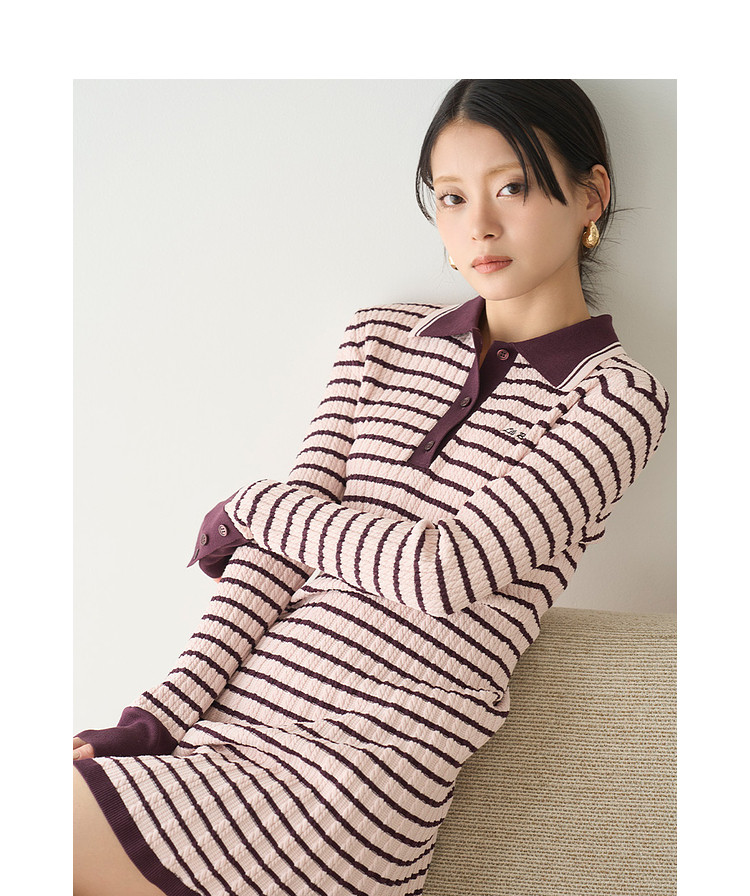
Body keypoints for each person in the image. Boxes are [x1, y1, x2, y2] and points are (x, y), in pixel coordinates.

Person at [73, 79, 670, 896]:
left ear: (591, 195)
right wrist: (157, 717)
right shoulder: (380, 338)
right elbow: (274, 562)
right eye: (452, 197)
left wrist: (254, 506)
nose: (478, 225)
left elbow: (445, 572)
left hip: (357, 787)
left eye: (512, 187)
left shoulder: (617, 401)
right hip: (226, 738)